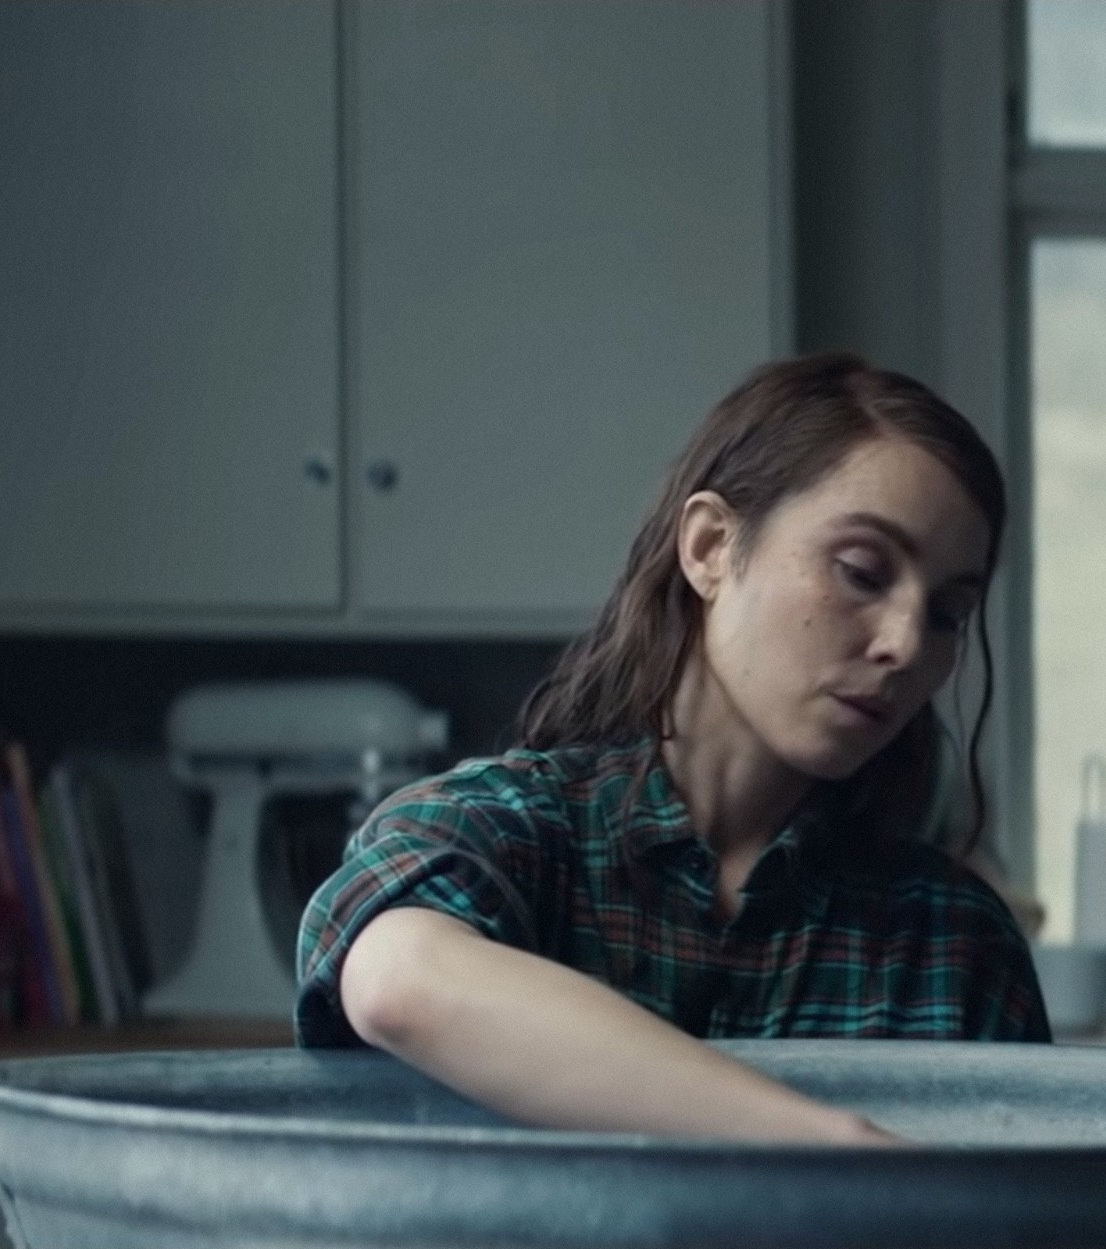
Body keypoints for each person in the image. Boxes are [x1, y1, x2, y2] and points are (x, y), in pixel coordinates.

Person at [293, 353, 1048, 1145]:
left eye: (946, 614)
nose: (904, 642)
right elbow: (399, 979)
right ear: (711, 546)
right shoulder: (512, 833)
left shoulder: (951, 941)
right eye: (862, 571)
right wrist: (830, 1145)